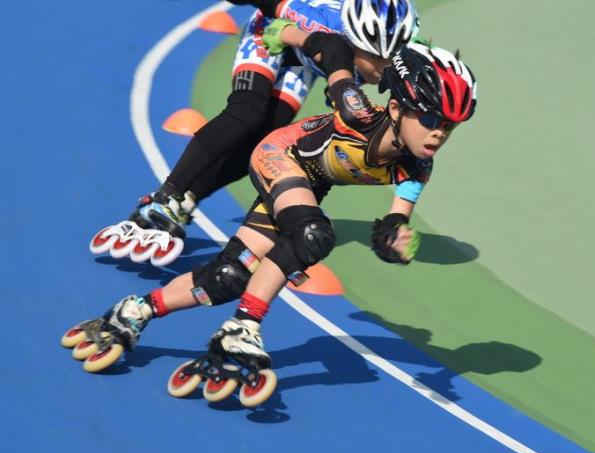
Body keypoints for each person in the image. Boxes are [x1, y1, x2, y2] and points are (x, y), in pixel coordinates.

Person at [64, 32, 477, 406]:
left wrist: (393, 241)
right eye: (430, 119)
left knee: (226, 277)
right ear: (396, 107)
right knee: (313, 234)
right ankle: (243, 327)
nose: (438, 134)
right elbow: (333, 49)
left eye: (449, 127)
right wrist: (289, 33)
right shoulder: (357, 112)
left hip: (308, 184)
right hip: (279, 155)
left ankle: (135, 311)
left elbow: (395, 222)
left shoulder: (418, 167)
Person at [89, 0, 419, 266]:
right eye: (375, 58)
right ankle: (165, 196)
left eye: (391, 59)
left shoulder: (404, 60)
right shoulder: (322, 26)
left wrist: (397, 218)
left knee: (266, 142)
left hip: (306, 61)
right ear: (353, 42)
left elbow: (414, 146)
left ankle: (188, 199)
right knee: (247, 113)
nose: (384, 68)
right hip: (274, 34)